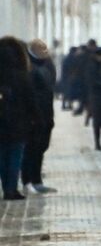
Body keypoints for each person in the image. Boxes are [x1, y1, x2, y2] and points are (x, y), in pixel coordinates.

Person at [0, 37, 40, 200]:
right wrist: (38, 119)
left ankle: (6, 188)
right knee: (15, 156)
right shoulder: (22, 76)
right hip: (18, 123)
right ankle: (11, 189)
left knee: (2, 156)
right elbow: (31, 100)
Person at [21, 39, 58, 195]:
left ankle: (37, 180)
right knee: (31, 149)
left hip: (46, 114)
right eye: (41, 48)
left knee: (41, 147)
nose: (45, 51)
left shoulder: (46, 65)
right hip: (35, 116)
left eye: (45, 48)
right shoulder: (30, 67)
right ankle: (28, 181)